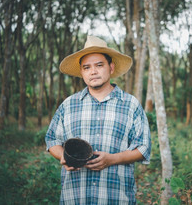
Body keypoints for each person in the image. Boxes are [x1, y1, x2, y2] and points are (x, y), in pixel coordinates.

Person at [45, 36, 151, 205]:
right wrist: (63, 156)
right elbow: (52, 140)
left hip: (116, 198)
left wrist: (112, 159)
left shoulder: (131, 105)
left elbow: (143, 148)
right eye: (87, 67)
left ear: (111, 67)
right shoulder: (68, 105)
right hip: (75, 197)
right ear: (82, 72)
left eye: (99, 65)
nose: (93, 71)